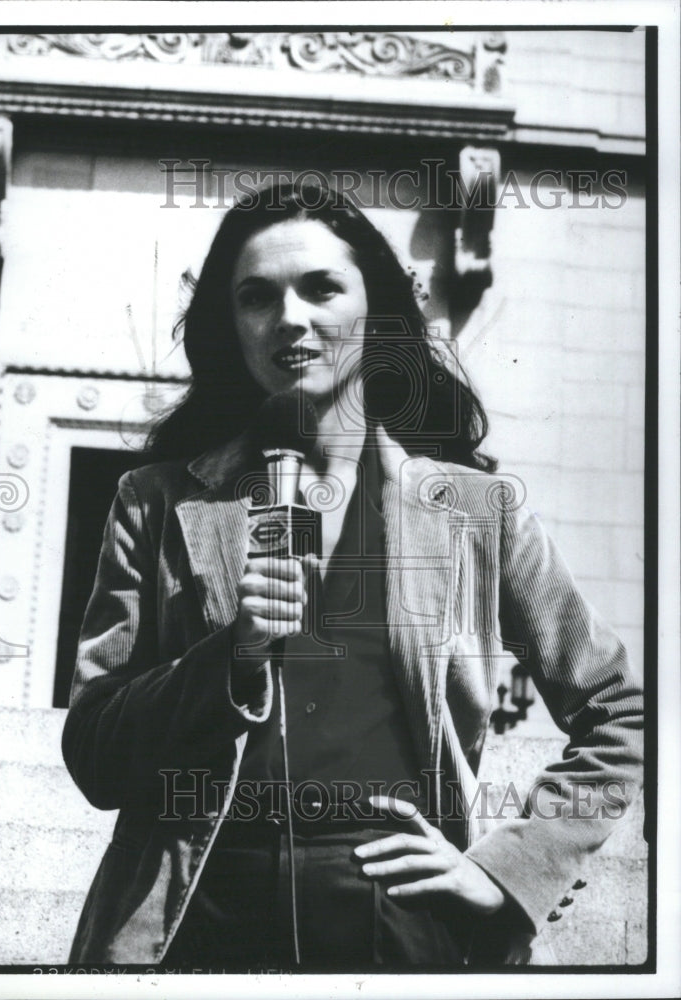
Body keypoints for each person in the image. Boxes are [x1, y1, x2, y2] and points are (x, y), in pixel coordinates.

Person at [62, 181, 644, 970]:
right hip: (192, 907)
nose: (289, 318)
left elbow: (623, 713)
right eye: (257, 297)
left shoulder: (476, 511)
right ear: (232, 327)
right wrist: (227, 658)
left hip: (401, 917)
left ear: (377, 312)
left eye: (321, 287)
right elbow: (95, 751)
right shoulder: (157, 502)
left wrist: (510, 872)